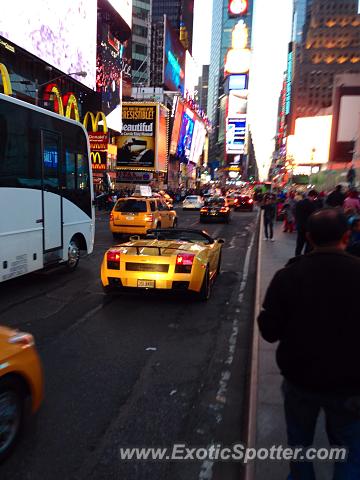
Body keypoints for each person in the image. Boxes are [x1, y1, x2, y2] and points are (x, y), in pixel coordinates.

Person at [258, 209, 360, 479]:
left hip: (301, 380)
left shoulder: (288, 276)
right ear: (347, 236)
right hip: (351, 384)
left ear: (308, 237)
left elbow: (269, 331)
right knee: (349, 451)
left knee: (300, 445)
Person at [294, 189, 319, 255]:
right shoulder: (312, 205)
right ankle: (306, 260)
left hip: (300, 227)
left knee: (299, 245)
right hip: (309, 228)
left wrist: (297, 222)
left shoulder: (299, 203)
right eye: (315, 197)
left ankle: (297, 259)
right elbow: (315, 215)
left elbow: (295, 213)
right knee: (308, 246)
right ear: (313, 196)